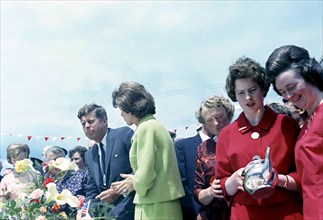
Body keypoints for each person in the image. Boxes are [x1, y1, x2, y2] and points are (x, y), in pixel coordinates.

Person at [215, 57, 303, 220]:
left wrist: (280, 179)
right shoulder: (226, 135)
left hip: (287, 212)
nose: (248, 97)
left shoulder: (287, 125)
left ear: (262, 89)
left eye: (252, 89)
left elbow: (304, 174)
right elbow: (221, 183)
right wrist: (233, 181)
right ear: (234, 95)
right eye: (241, 93)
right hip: (244, 214)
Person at [111, 81, 185, 220]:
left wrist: (134, 182)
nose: (121, 113)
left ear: (130, 106)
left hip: (155, 206)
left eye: (121, 107)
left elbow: (146, 174)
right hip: (161, 202)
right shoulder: (155, 126)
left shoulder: (146, 128)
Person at [265, 45, 323, 219]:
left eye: (291, 86)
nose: (289, 96)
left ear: (308, 74)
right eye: (283, 92)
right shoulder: (308, 122)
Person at [77, 103, 135, 220]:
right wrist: (85, 212)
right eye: (83, 124)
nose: (86, 126)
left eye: (91, 121)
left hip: (131, 206)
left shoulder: (123, 135)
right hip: (105, 212)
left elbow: (141, 168)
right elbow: (92, 190)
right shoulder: (89, 155)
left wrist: (118, 191)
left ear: (104, 121)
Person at [193, 96, 234, 220]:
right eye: (210, 120)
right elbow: (198, 192)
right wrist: (211, 191)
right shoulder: (204, 149)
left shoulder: (246, 138)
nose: (216, 123)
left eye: (219, 117)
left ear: (229, 114)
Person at [45, 146, 87, 215]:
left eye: (57, 159)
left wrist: (84, 199)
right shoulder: (46, 180)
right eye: (51, 160)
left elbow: (90, 196)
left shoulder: (80, 176)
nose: (54, 163)